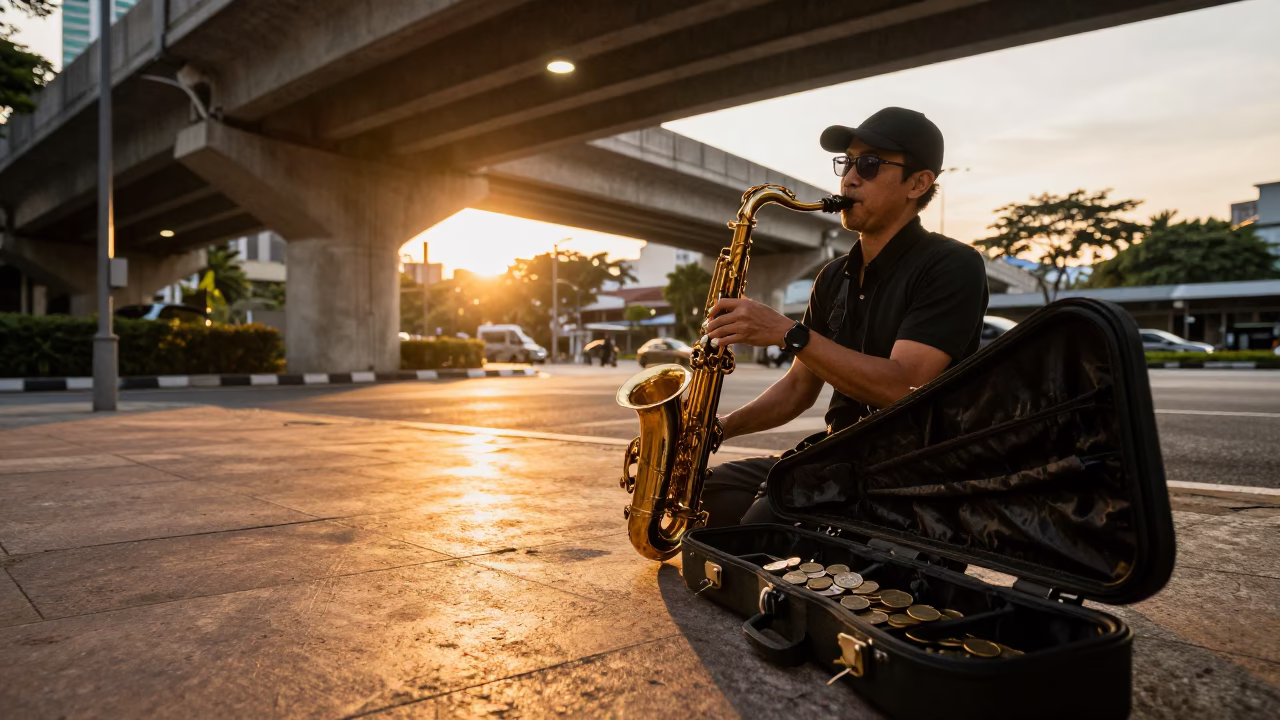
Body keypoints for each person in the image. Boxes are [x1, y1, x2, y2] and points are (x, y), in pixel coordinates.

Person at [699, 107, 990, 527]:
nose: (849, 178)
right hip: (837, 462)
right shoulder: (834, 275)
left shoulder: (952, 265)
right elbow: (800, 386)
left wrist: (788, 333)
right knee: (702, 498)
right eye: (847, 162)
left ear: (918, 183)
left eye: (869, 164)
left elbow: (904, 385)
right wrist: (717, 429)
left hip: (909, 483)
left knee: (755, 530)